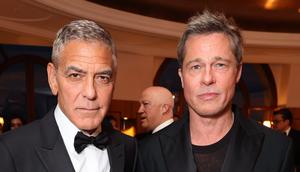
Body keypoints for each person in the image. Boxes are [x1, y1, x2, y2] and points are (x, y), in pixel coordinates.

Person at [137, 11, 293, 172]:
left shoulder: (276, 149)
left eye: (220, 65)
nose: (207, 78)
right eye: (196, 67)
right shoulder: (148, 152)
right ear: (182, 77)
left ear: (238, 72)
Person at [0, 20, 137, 172]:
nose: (90, 93)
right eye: (75, 75)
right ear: (53, 79)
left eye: (102, 77)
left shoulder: (129, 147)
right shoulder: (10, 150)